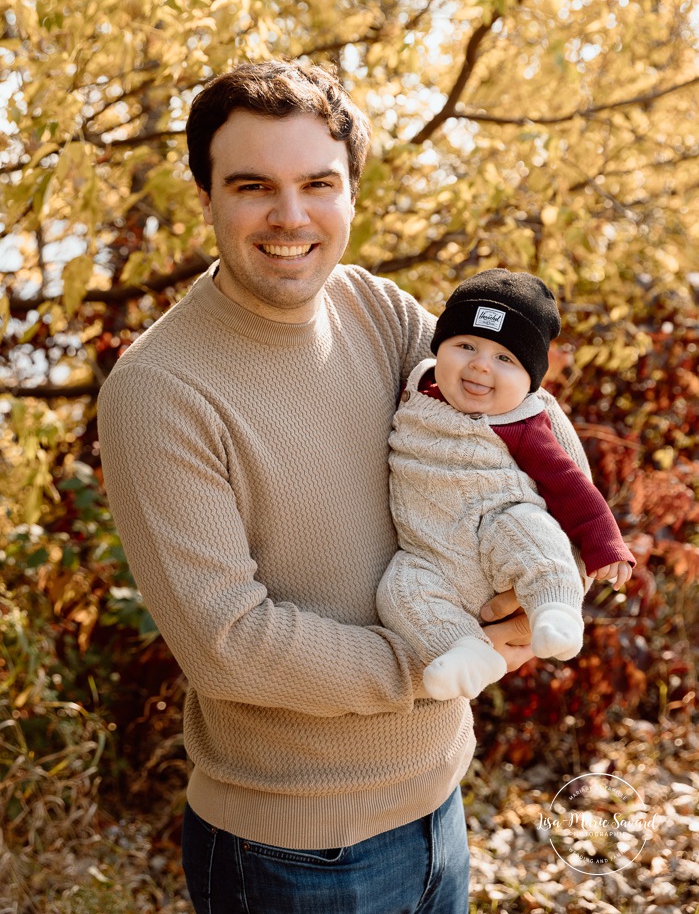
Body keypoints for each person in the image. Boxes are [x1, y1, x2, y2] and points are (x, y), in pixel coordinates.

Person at [98, 61, 589, 914]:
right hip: (293, 851)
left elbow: (522, 420)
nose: (290, 217)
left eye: (317, 184)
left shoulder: (375, 308)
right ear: (206, 196)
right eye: (253, 185)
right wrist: (442, 657)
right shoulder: (158, 391)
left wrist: (542, 577)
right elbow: (229, 644)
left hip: (439, 799)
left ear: (351, 192)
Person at [377, 269, 635, 702]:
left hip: (496, 527)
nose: (480, 364)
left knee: (528, 530)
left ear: (530, 382)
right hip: (429, 553)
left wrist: (605, 545)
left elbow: (569, 485)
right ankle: (463, 650)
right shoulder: (417, 386)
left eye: (505, 359)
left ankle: (554, 606)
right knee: (399, 591)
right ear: (438, 349)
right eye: (465, 346)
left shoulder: (521, 421)